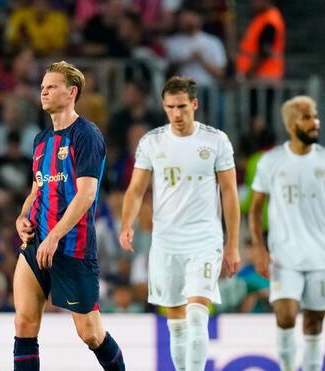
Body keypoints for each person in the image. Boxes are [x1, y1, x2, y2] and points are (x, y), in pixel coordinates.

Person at [119, 76, 240, 371]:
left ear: (194, 104)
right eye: (171, 107)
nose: (177, 113)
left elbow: (229, 192)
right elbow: (135, 190)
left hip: (204, 240)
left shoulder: (215, 140)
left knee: (197, 314)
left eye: (183, 107)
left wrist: (232, 244)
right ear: (163, 106)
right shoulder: (152, 142)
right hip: (165, 242)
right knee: (176, 324)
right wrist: (127, 223)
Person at [13, 61, 125, 371]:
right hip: (37, 243)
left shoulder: (86, 134)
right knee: (24, 323)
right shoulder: (40, 141)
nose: (44, 92)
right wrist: (21, 218)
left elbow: (86, 195)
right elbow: (37, 190)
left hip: (71, 245)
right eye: (42, 88)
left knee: (90, 334)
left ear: (71, 91)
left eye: (51, 86)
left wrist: (55, 236)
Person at [249, 96, 324, 371]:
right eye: (307, 117)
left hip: (320, 256)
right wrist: (259, 248)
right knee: (286, 315)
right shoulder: (271, 161)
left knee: (315, 320)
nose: (315, 122)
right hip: (284, 256)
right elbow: (255, 209)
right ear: (291, 124)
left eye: (315, 116)